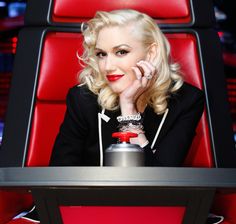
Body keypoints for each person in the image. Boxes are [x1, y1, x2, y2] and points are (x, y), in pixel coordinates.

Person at [49, 9, 204, 167]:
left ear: (151, 52)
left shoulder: (187, 100)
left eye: (121, 52)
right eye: (101, 54)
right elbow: (59, 176)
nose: (108, 67)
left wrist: (128, 110)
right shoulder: (82, 98)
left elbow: (164, 180)